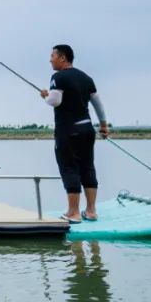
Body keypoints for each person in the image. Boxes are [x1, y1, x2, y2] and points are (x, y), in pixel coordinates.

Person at [40, 45, 108, 222]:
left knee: (69, 167)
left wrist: (45, 96)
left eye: (52, 55)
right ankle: (91, 211)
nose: (50, 59)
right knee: (87, 166)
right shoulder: (86, 78)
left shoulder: (58, 77)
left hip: (68, 131)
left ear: (62, 58)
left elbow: (55, 101)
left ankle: (73, 213)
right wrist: (104, 125)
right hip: (87, 129)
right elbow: (98, 104)